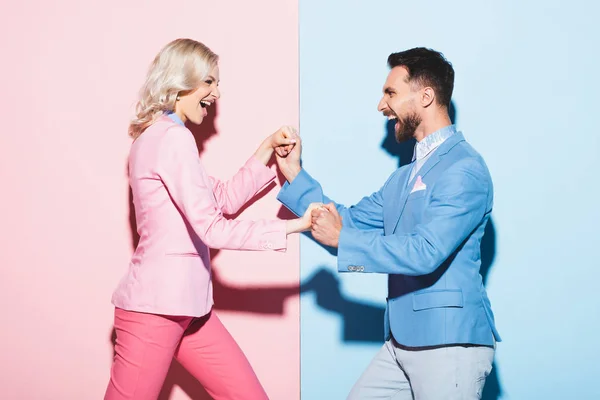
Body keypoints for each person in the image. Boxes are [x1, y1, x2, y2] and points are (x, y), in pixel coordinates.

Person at [276, 47, 501, 399]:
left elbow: (427, 251)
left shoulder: (465, 169)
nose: (382, 105)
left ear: (426, 96)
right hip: (402, 342)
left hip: (449, 344)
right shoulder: (402, 179)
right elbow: (347, 222)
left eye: (391, 93)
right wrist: (295, 175)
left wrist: (342, 240)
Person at [105, 38, 315, 400]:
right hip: (154, 310)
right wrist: (296, 225)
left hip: (189, 309)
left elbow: (222, 199)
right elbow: (212, 227)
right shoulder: (173, 139)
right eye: (209, 82)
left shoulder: (160, 137)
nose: (217, 92)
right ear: (180, 81)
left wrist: (265, 149)